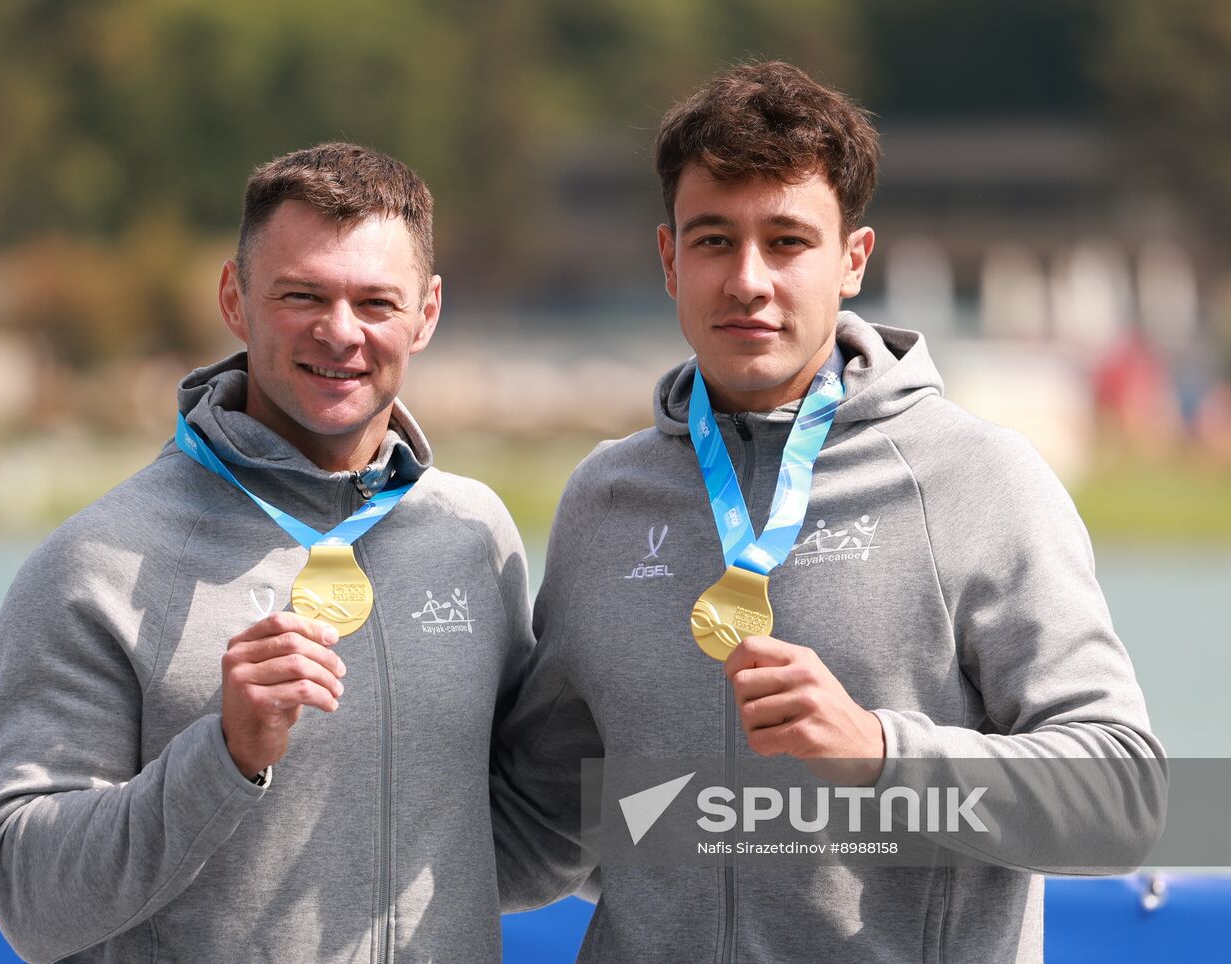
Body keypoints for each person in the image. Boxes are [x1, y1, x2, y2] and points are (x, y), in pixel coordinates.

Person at [493, 61, 1165, 962]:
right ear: (668, 260)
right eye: (713, 240)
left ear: (852, 260)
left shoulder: (977, 478)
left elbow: (1123, 802)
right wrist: (283, 775)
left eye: (787, 241)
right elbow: (543, 830)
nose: (747, 280)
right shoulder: (604, 499)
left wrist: (881, 754)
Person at [0, 143, 532, 962]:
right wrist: (223, 755)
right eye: (301, 294)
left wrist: (744, 769)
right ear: (235, 300)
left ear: (428, 313)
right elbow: (31, 903)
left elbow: (526, 836)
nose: (339, 332)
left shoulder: (473, 536)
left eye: (376, 302)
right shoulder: (95, 563)